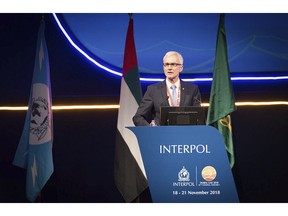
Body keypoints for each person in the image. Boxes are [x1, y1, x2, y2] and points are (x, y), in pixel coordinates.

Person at [133, 51, 202, 126]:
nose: (169, 68)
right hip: (161, 135)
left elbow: (198, 117)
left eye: (173, 64)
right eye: (166, 64)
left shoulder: (192, 90)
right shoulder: (153, 90)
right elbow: (138, 117)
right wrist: (151, 130)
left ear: (181, 68)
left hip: (184, 135)